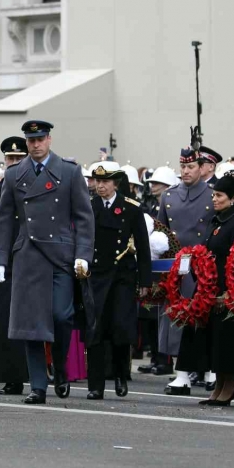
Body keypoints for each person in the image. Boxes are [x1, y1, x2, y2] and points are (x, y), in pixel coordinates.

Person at [0, 120, 94, 405]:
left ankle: (60, 367)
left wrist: (83, 255)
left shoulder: (70, 172)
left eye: (40, 139)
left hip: (60, 254)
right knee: (31, 325)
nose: (35, 145)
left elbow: (84, 217)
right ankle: (37, 385)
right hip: (28, 255)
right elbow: (3, 219)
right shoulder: (15, 175)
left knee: (62, 316)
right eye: (31, 140)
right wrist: (0, 258)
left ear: (49, 139)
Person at [178, 170, 234, 407]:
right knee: (214, 341)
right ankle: (219, 385)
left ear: (233, 198)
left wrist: (231, 290)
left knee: (228, 341)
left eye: (220, 196)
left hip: (229, 289)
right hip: (209, 288)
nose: (214, 199)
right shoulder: (216, 221)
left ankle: (229, 386)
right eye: (213, 195)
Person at [85, 162, 151, 400]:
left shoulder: (131, 209)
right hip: (95, 275)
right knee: (95, 330)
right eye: (97, 181)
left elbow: (143, 247)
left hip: (122, 276)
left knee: (121, 329)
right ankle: (96, 384)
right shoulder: (89, 207)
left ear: (116, 183)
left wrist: (145, 281)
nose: (100, 186)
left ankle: (121, 375)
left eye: (105, 182)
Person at [155, 145, 215, 395]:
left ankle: (212, 370)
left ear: (202, 168)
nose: (186, 171)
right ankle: (182, 374)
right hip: (177, 266)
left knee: (206, 318)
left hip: (203, 265)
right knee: (176, 318)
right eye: (183, 167)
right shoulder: (168, 196)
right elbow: (160, 232)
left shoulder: (213, 194)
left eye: (191, 166)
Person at [0, 137, 29, 396]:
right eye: (9, 159)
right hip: (4, 266)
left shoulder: (37, 188)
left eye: (18, 158)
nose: (13, 163)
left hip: (31, 263)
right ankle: (10, 375)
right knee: (4, 322)